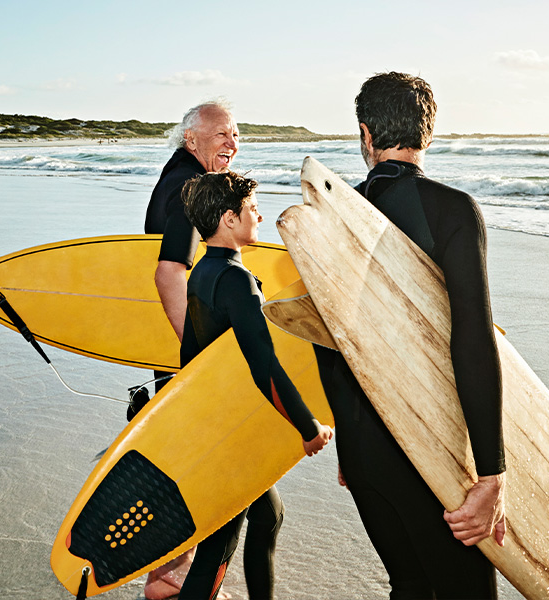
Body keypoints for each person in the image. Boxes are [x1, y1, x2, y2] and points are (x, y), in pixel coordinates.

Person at [313, 72, 507, 599]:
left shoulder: (332, 217)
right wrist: (491, 473)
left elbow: (323, 337)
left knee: (411, 585)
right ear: (428, 133)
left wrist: (348, 448)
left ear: (365, 133)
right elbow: (472, 339)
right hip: (430, 446)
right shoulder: (453, 210)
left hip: (363, 444)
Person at [177, 171, 333, 600]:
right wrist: (308, 427)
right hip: (232, 435)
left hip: (217, 421)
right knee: (221, 542)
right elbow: (264, 368)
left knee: (269, 516)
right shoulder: (237, 281)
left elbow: (189, 357)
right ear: (229, 219)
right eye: (251, 209)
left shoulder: (202, 274)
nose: (259, 215)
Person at [137, 100, 240, 599]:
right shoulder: (189, 186)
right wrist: (198, 354)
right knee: (221, 490)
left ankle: (169, 577)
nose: (232, 143)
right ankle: (169, 580)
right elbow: (168, 270)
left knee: (248, 502)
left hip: (171, 351)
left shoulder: (181, 178)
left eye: (236, 134)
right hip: (185, 356)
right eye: (221, 133)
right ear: (191, 139)